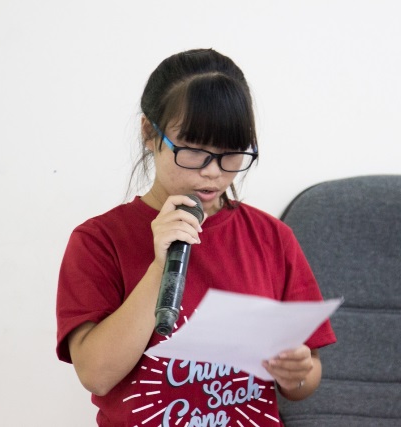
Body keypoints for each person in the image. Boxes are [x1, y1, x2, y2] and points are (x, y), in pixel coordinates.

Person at [56, 48, 336, 427]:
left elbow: (307, 376)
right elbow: (97, 375)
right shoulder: (98, 241)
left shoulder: (272, 238)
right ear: (149, 133)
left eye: (230, 153)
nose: (213, 173)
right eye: (194, 151)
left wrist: (297, 373)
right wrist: (159, 267)